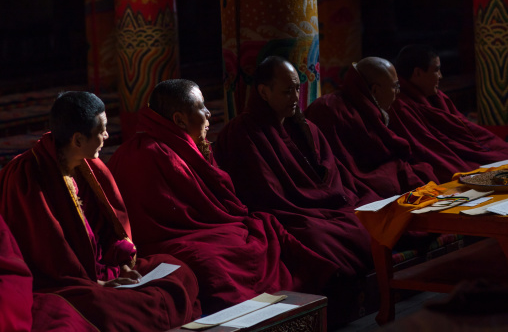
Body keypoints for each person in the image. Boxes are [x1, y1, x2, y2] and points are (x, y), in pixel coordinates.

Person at [108, 79, 339, 314]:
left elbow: (216, 205)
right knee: (217, 260)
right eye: (201, 107)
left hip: (202, 230)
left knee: (260, 236)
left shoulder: (177, 145)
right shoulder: (152, 154)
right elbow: (172, 222)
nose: (209, 113)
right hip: (168, 240)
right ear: (179, 120)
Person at [0, 91, 201, 331]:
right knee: (109, 310)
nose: (107, 135)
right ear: (77, 140)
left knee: (179, 271)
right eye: (102, 130)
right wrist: (100, 283)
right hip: (70, 282)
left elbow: (110, 229)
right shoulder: (28, 177)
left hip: (105, 269)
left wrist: (120, 263)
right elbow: (51, 257)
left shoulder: (89, 167)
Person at [214, 56, 376, 295]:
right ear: (264, 92)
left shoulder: (304, 127)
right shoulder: (242, 132)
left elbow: (331, 173)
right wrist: (314, 205)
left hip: (322, 207)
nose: (295, 98)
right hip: (288, 213)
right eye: (287, 91)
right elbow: (264, 192)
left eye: (297, 89)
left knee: (366, 217)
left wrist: (324, 200)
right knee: (316, 236)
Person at [305, 57, 438, 197]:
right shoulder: (332, 110)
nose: (398, 92)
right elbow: (362, 165)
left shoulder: (358, 106)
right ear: (374, 90)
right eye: (395, 86)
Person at [390, 44, 508, 181]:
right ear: (417, 73)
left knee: (501, 153)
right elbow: (429, 150)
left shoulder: (436, 96)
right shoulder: (400, 107)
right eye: (436, 70)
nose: (441, 76)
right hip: (447, 161)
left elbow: (465, 129)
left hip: (463, 153)